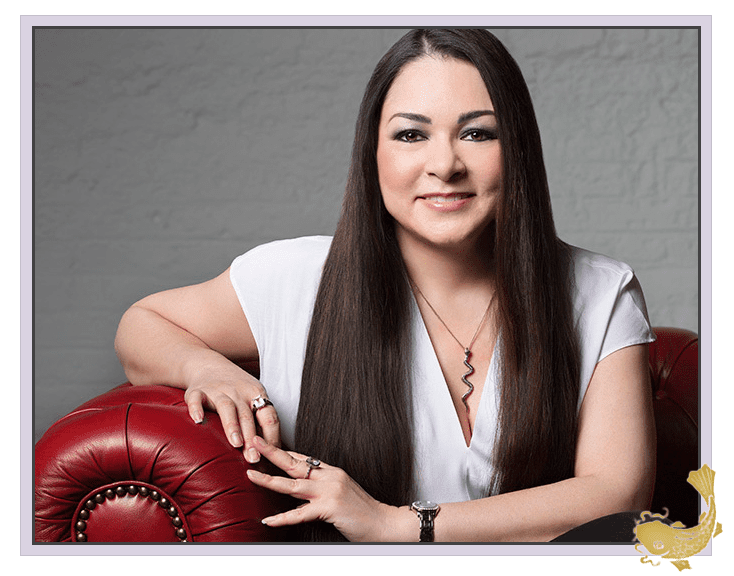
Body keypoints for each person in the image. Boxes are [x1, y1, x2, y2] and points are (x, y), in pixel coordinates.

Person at [114, 29, 656, 542]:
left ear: (517, 150)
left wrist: (399, 525)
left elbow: (616, 496)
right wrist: (208, 368)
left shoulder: (599, 291)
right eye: (411, 134)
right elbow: (143, 324)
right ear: (372, 155)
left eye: (477, 133)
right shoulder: (294, 277)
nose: (444, 164)